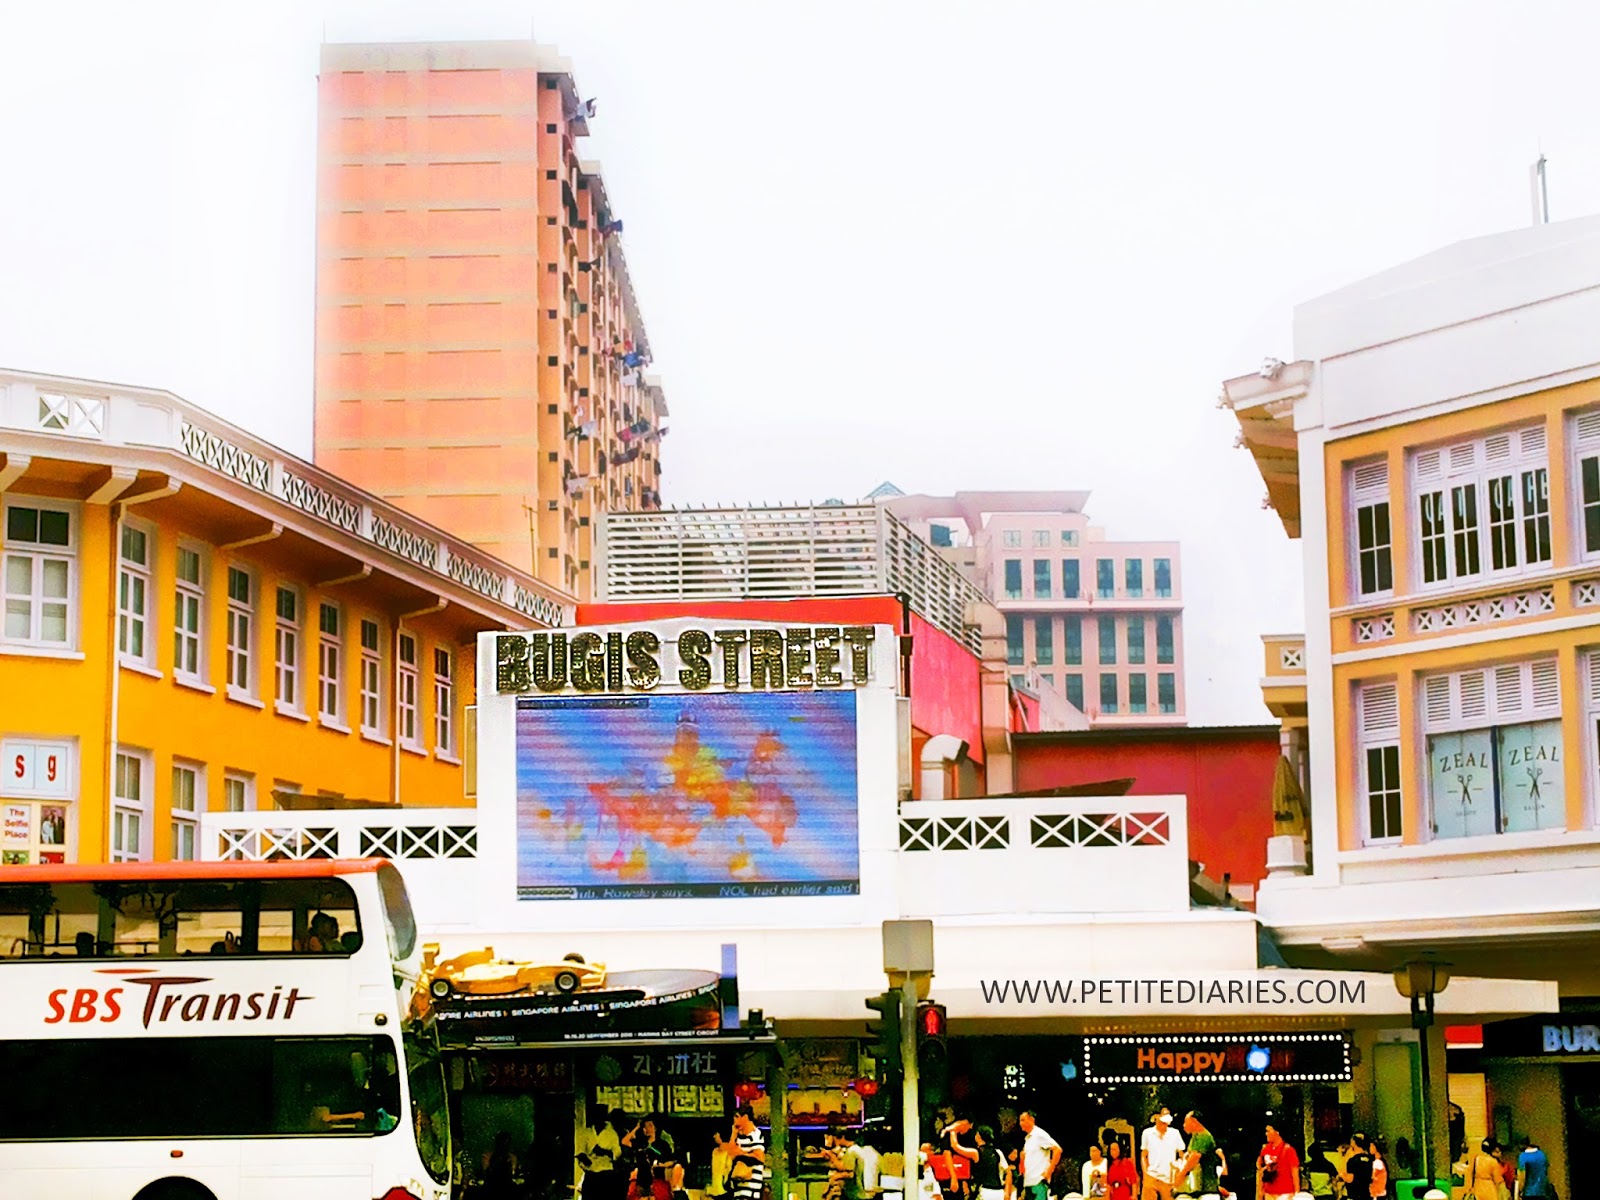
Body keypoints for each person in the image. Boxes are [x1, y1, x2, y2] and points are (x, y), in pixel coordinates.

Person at [717, 1104, 766, 1200]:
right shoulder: (740, 1137)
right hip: (738, 1187)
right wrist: (734, 1134)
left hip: (751, 1187)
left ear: (745, 1117)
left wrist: (741, 1153)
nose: (735, 1120)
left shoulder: (755, 1135)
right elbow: (731, 1154)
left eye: (737, 1117)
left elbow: (760, 1156)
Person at [1138, 1107, 1186, 1200]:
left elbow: (1181, 1154)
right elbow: (1144, 1155)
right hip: (1151, 1176)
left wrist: (1179, 1171)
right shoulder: (1147, 1133)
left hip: (1168, 1178)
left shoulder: (1175, 1133)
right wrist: (1145, 1174)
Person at [578, 1107, 623, 1200]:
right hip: (591, 1174)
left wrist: (604, 1152)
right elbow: (580, 1152)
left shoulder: (611, 1133)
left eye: (601, 1117)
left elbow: (617, 1153)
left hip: (606, 1175)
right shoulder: (586, 1133)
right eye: (597, 1117)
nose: (599, 1119)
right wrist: (586, 1160)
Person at [1175, 1111, 1223, 1198]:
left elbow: (1194, 1157)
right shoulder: (1194, 1137)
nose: (1184, 1125)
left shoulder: (1204, 1137)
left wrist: (1180, 1176)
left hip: (1207, 1190)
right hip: (1196, 1188)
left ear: (1194, 1121)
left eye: (1186, 1122)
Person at [1017, 1111, 1061, 1200]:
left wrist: (1049, 1171)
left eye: (1023, 1120)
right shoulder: (1028, 1139)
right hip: (1029, 1182)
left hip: (1038, 1181)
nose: (1020, 1123)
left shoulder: (1039, 1134)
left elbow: (1057, 1149)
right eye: (1020, 1121)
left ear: (1031, 1120)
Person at [959, 1124, 1009, 1200]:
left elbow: (956, 1147)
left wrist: (951, 1130)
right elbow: (1008, 1172)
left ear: (979, 1136)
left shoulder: (975, 1153)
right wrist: (1007, 1192)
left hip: (984, 1191)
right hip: (999, 1192)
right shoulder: (997, 1152)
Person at [1255, 1124, 1300, 1198]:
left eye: (1269, 1131)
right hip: (1268, 1192)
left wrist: (1297, 1193)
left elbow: (1295, 1173)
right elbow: (1261, 1170)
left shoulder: (1289, 1150)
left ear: (1277, 1132)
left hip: (1285, 1193)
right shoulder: (1265, 1149)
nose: (1266, 1134)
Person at [481, 1130, 521, 1200]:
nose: (503, 1145)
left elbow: (485, 1172)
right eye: (502, 1142)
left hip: (498, 1190)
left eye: (505, 1142)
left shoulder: (511, 1158)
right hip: (497, 1190)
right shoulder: (512, 1158)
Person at [1342, 1133, 1374, 1200]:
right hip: (1367, 1195)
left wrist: (1341, 1175)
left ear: (1353, 1142)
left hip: (1355, 1196)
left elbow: (1350, 1179)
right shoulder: (1371, 1160)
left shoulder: (1353, 1161)